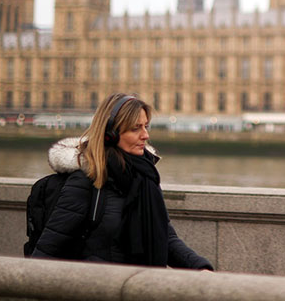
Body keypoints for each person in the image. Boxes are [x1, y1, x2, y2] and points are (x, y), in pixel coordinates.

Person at [30, 93, 213, 269]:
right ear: (111, 133)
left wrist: (199, 267)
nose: (145, 135)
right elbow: (47, 251)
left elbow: (165, 238)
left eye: (146, 126)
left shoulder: (144, 178)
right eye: (135, 128)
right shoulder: (85, 182)